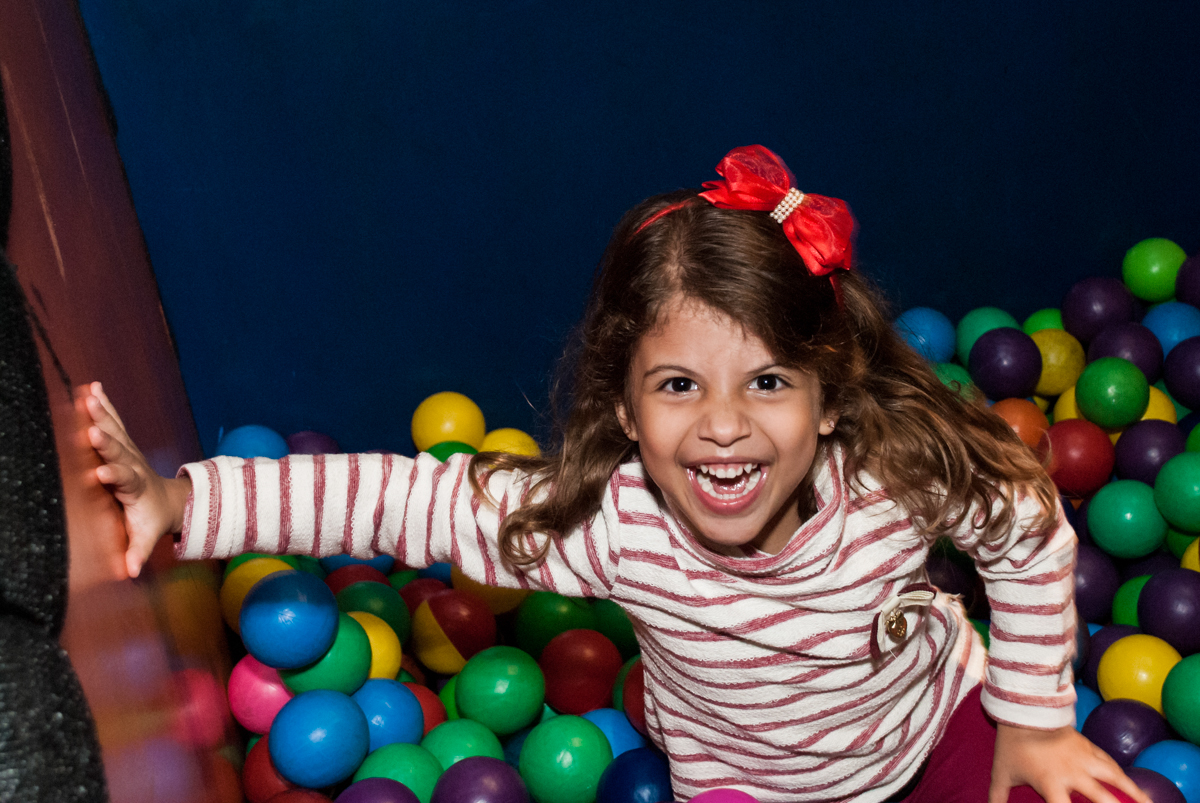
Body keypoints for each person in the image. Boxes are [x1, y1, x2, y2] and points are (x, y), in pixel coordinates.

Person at [84, 145, 1148, 803]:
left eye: (768, 380)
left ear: (830, 395)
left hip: (938, 734)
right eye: (679, 385)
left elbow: (1025, 521)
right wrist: (185, 500)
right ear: (626, 408)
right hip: (750, 788)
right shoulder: (609, 519)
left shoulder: (892, 474)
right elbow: (408, 500)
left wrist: (1035, 717)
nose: (724, 429)